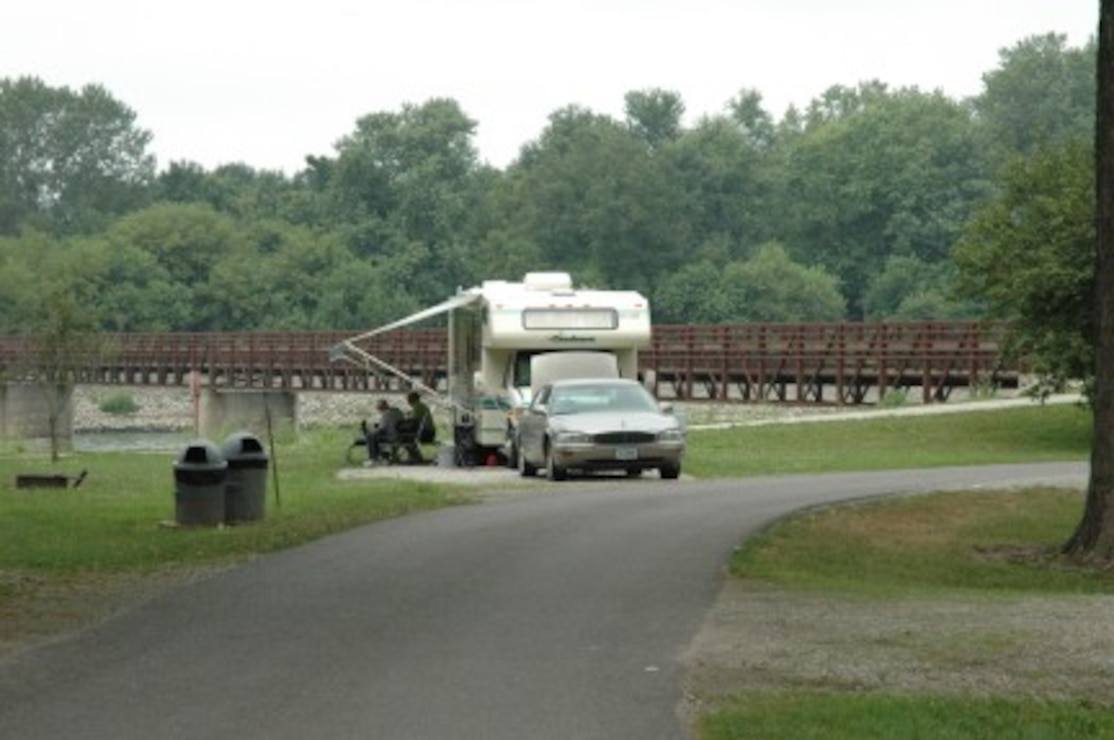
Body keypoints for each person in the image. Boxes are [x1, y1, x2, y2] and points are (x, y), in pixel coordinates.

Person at [364, 398, 404, 464]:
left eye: (379, 409)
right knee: (374, 436)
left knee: (370, 436)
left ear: (382, 407)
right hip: (400, 435)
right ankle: (382, 456)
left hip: (391, 436)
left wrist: (373, 430)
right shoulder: (398, 411)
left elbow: (381, 428)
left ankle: (374, 458)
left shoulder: (386, 414)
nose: (380, 411)